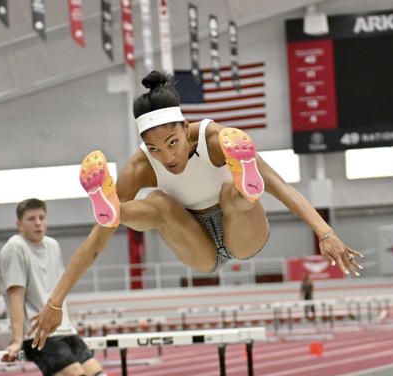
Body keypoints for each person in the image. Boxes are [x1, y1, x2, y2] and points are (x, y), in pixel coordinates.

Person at [28, 70, 363, 348]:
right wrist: (55, 302)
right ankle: (115, 208)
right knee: (156, 203)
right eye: (154, 149)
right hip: (195, 239)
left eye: (173, 143)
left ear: (186, 126)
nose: (168, 158)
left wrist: (325, 232)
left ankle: (246, 183)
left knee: (232, 193)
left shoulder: (217, 140)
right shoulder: (138, 167)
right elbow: (96, 242)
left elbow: (281, 186)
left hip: (242, 230)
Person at [0, 198, 132, 376]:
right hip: (40, 335)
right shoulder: (14, 248)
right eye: (31, 219)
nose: (38, 224)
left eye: (41, 218)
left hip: (66, 330)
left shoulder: (53, 245)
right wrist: (18, 340)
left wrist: (69, 322)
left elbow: (58, 288)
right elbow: (15, 296)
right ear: (19, 224)